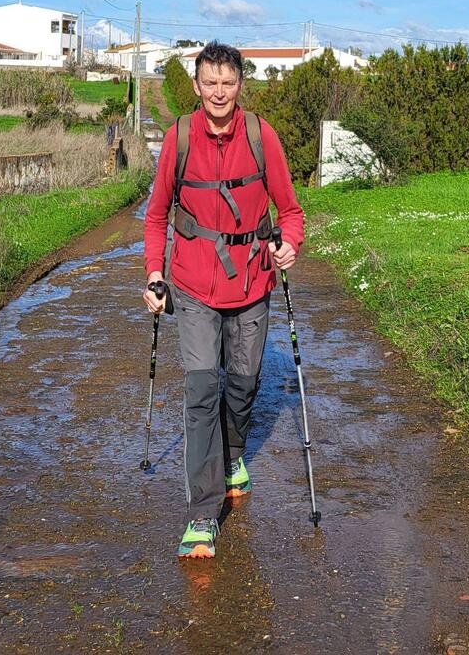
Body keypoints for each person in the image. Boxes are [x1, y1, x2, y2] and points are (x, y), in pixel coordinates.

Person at [142, 40, 304, 559]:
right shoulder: (179, 138)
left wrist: (289, 244)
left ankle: (234, 455)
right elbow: (156, 216)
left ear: (239, 85)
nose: (218, 92)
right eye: (210, 82)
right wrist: (154, 274)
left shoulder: (260, 135)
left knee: (242, 386)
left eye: (227, 83)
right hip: (192, 286)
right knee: (200, 392)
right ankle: (202, 515)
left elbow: (291, 211)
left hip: (252, 284)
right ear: (196, 86)